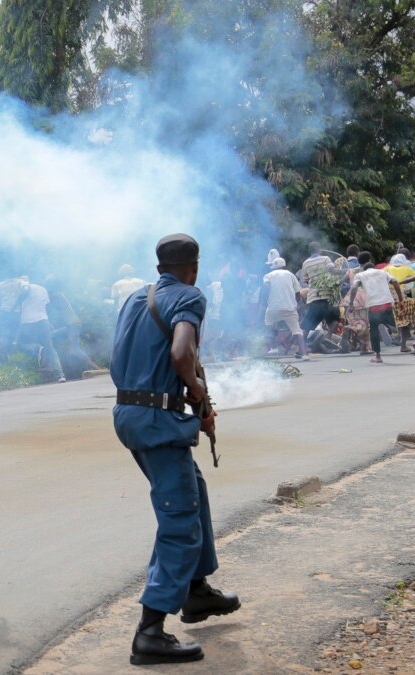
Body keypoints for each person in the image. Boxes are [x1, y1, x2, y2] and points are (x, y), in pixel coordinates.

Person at [110, 233, 238, 666]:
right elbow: (181, 352)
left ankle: (196, 591)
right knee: (180, 517)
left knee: (192, 491)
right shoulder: (190, 295)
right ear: (194, 266)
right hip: (156, 420)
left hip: (130, 412)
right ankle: (150, 631)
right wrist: (198, 395)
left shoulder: (134, 298)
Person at [347, 252, 402, 362]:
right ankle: (391, 328)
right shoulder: (382, 272)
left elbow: (354, 288)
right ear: (374, 267)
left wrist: (351, 303)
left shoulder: (360, 275)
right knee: (390, 320)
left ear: (364, 269)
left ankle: (378, 356)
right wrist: (401, 299)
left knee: (374, 330)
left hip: (373, 305)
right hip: (386, 303)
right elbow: (395, 282)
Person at [262, 256, 306, 359]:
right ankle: (304, 354)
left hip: (273, 307)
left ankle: (273, 348)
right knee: (297, 330)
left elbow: (266, 288)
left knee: (269, 325)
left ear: (273, 267)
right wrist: (297, 304)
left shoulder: (268, 275)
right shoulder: (291, 275)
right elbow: (298, 292)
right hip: (289, 307)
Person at [298, 242, 338, 334]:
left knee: (308, 324)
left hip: (314, 297)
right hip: (327, 296)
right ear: (319, 249)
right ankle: (328, 338)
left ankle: (303, 343)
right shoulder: (325, 259)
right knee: (334, 319)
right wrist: (344, 271)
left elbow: (306, 280)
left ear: (309, 251)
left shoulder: (305, 263)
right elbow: (332, 270)